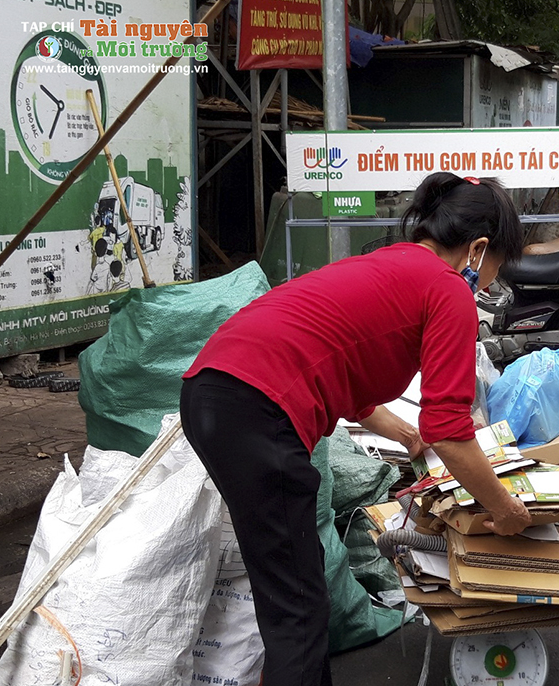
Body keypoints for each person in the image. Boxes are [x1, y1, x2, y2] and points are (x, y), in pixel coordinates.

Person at [179, 172, 533, 686]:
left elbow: (350, 382)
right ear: (478, 249)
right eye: (497, 267)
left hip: (211, 394)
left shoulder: (388, 264)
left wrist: (407, 437)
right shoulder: (448, 288)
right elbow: (451, 429)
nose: (493, 282)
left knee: (290, 587)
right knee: (299, 606)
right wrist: (504, 508)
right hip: (256, 408)